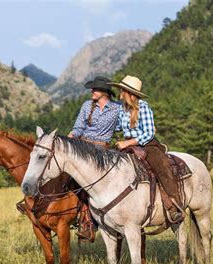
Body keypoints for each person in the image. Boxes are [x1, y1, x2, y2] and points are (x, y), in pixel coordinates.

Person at [110, 75, 185, 223]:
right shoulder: (122, 108)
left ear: (128, 93)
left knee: (162, 167)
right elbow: (118, 126)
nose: (120, 93)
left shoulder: (143, 106)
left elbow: (149, 133)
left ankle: (176, 207)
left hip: (147, 144)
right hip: (128, 145)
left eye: (122, 90)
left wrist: (127, 143)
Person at [68, 76, 120, 241]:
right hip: (82, 145)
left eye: (95, 89)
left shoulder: (117, 108)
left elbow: (125, 124)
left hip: (101, 149)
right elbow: (78, 128)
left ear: (104, 92)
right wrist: (69, 138)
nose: (92, 91)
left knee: (93, 183)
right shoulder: (87, 106)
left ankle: (90, 223)